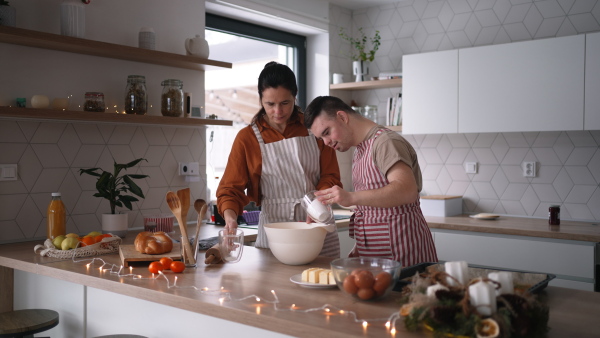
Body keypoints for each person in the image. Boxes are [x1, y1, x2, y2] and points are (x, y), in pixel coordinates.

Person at [216, 62, 342, 257]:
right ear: (260, 100)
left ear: (295, 95)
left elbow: (331, 176)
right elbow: (230, 189)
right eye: (270, 104)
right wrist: (230, 219)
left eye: (285, 103)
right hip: (275, 232)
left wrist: (318, 202)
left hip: (317, 223)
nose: (278, 112)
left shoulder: (315, 128)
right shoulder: (247, 138)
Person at [303, 96, 437, 267]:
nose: (326, 142)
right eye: (321, 139)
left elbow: (407, 190)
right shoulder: (360, 150)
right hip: (377, 256)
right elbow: (372, 208)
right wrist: (360, 246)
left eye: (327, 132)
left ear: (343, 117)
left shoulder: (386, 142)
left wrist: (351, 198)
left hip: (404, 254)